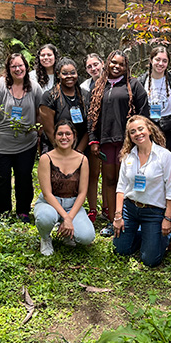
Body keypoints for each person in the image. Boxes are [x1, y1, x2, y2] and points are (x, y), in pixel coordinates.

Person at [87, 50, 149, 237]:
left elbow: (143, 114)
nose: (116, 66)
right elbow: (91, 115)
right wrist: (93, 139)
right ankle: (112, 219)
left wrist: (140, 140)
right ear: (108, 62)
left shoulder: (133, 85)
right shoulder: (99, 85)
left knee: (128, 182)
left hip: (127, 143)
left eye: (121, 64)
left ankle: (130, 220)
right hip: (105, 141)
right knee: (110, 180)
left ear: (126, 66)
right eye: (114, 62)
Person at [0, 53, 43, 222]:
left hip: (26, 144)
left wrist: (39, 135)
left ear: (26, 67)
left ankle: (23, 211)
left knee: (24, 178)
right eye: (13, 66)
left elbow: (40, 114)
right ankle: (4, 211)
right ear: (8, 69)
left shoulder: (34, 88)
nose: (17, 69)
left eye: (20, 65)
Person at [113, 116, 171, 267]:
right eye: (132, 132)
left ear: (149, 129)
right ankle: (148, 236)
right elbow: (121, 188)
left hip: (154, 212)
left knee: (150, 260)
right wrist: (118, 215)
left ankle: (166, 236)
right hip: (130, 209)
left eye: (140, 129)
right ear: (129, 136)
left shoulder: (164, 156)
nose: (137, 133)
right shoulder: (128, 156)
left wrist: (167, 218)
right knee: (120, 250)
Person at [34, 120, 95, 256]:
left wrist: (69, 217)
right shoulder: (46, 158)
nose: (64, 137)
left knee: (87, 237)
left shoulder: (82, 159)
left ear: (74, 136)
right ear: (55, 137)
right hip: (50, 202)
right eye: (60, 134)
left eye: (68, 134)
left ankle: (67, 233)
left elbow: (82, 192)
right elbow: (47, 193)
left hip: (73, 204)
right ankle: (45, 238)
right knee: (45, 218)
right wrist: (66, 217)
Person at [38, 57, 89, 154]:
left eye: (73, 72)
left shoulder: (85, 95)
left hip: (81, 150)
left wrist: (78, 151)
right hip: (56, 149)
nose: (69, 76)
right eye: (65, 73)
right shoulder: (49, 97)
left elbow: (90, 127)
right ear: (58, 75)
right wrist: (65, 152)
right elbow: (49, 131)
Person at [137, 46, 171, 153]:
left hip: (169, 129)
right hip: (148, 129)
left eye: (164, 61)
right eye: (157, 59)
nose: (160, 63)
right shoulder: (141, 81)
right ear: (151, 60)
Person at [80, 53, 108, 222]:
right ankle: (92, 209)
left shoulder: (112, 82)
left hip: (111, 135)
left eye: (96, 64)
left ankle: (106, 206)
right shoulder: (84, 87)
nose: (93, 68)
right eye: (89, 66)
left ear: (102, 64)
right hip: (94, 135)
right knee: (93, 173)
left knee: (109, 173)